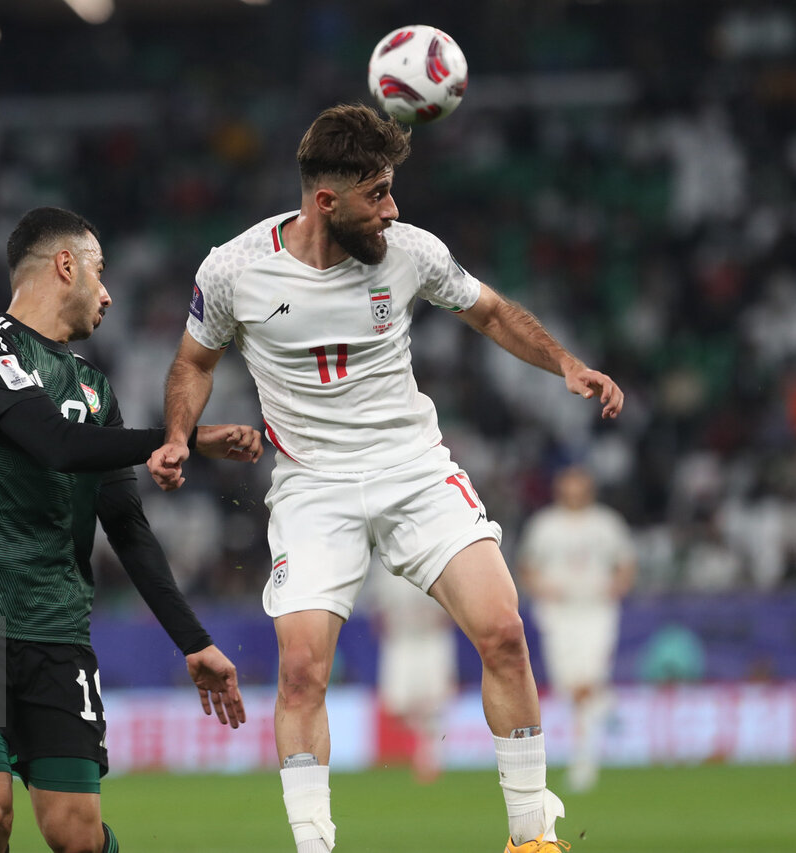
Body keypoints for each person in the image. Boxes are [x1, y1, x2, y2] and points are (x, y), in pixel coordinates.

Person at [148, 103, 624, 853]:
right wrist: (179, 435)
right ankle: (314, 845)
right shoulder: (235, 268)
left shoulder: (410, 251)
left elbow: (493, 312)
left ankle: (532, 837)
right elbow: (193, 362)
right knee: (302, 670)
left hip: (414, 469)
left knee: (503, 631)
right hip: (313, 486)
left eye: (392, 190)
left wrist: (565, 361)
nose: (392, 210)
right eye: (377, 194)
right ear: (326, 201)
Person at [0, 207, 260, 853]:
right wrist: (186, 437)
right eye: (100, 270)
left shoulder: (94, 388)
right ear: (66, 265)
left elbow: (126, 525)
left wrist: (193, 640)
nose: (109, 292)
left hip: (54, 627)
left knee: (76, 835)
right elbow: (51, 441)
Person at [517, 466, 635, 793]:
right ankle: (608, 704)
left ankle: (584, 763)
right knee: (569, 686)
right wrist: (540, 589)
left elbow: (625, 562)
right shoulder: (545, 525)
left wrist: (617, 586)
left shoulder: (606, 523)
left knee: (586, 683)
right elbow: (527, 565)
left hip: (596, 611)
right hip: (558, 613)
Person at [362, 564, 458, 784]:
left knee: (434, 702)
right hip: (400, 640)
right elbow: (375, 608)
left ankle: (429, 756)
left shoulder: (436, 559)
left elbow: (454, 604)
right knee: (398, 706)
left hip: (432, 638)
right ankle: (422, 747)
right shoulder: (385, 566)